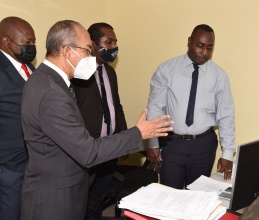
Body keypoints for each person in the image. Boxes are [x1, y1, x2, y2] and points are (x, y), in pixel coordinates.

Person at [20, 20, 172, 220]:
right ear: (67, 51)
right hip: (55, 200)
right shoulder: (52, 93)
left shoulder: (44, 78)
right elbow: (88, 151)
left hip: (57, 187)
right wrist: (138, 133)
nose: (90, 57)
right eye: (86, 50)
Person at [147, 24, 235, 189]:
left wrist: (228, 153)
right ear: (189, 41)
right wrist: (153, 143)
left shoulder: (219, 76)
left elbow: (226, 115)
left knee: (197, 197)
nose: (204, 52)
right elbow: (154, 108)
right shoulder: (166, 69)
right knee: (169, 195)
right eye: (200, 46)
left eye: (209, 48)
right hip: (171, 144)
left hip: (203, 146)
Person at [71, 22, 126, 219]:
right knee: (82, 200)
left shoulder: (110, 72)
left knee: (99, 199)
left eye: (115, 42)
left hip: (109, 148)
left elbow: (116, 106)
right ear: (93, 45)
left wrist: (122, 138)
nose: (114, 47)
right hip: (88, 149)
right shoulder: (78, 73)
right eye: (108, 42)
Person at [0, 16, 36, 220]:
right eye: (27, 42)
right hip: (9, 163)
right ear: (6, 41)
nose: (32, 47)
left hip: (32, 159)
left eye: (33, 42)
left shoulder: (29, 67)